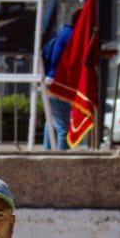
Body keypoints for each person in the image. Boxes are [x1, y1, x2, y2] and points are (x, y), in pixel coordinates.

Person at [41, 9, 77, 150]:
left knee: (51, 123)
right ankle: (62, 161)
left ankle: (46, 154)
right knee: (63, 127)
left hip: (49, 81)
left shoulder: (63, 33)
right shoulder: (72, 36)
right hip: (60, 84)